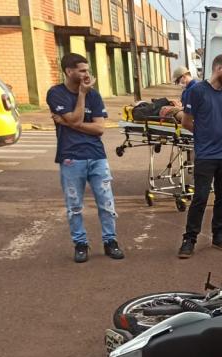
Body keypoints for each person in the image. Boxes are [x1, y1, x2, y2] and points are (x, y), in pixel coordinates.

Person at [47, 53, 124, 263]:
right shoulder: (56, 93)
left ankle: (110, 241)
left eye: (87, 70)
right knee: (74, 206)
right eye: (82, 71)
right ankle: (80, 244)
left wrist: (68, 123)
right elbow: (76, 118)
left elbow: (99, 128)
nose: (87, 74)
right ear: (69, 71)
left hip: (97, 156)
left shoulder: (94, 95)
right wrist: (81, 95)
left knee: (106, 203)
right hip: (71, 157)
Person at [176, 54, 222, 259]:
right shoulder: (197, 91)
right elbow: (186, 122)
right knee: (201, 197)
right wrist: (204, 135)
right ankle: (189, 239)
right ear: (218, 68)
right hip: (206, 155)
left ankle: (219, 235)